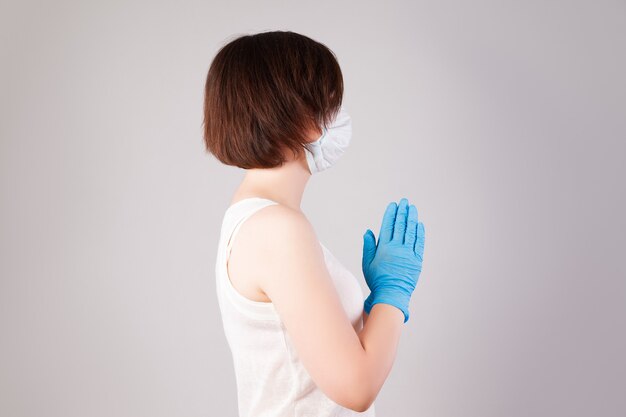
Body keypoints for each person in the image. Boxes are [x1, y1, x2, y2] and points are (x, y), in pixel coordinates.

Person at [203, 30, 426, 417]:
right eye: (330, 105)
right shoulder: (277, 228)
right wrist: (393, 293)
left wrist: (372, 311)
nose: (337, 117)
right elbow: (356, 388)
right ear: (302, 117)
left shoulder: (255, 219)